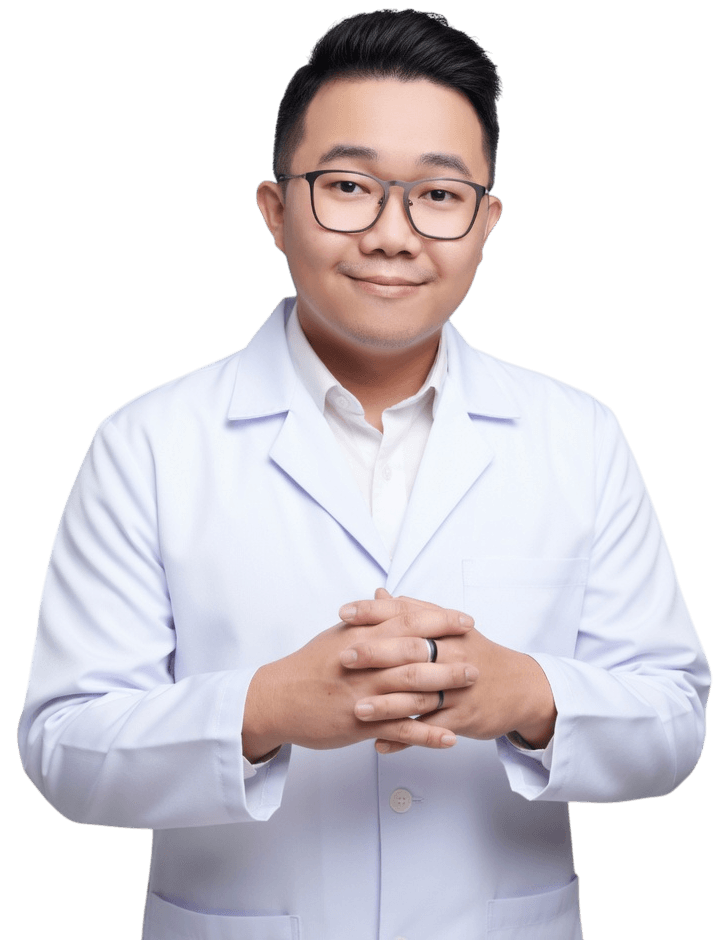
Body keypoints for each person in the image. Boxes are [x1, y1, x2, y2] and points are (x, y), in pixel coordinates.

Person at [18, 9, 710, 939]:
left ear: (484, 222)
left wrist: (529, 696)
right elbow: (62, 749)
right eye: (347, 186)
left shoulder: (577, 436)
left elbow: (675, 721)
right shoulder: (147, 443)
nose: (393, 234)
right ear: (275, 210)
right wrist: (263, 709)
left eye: (439, 194)